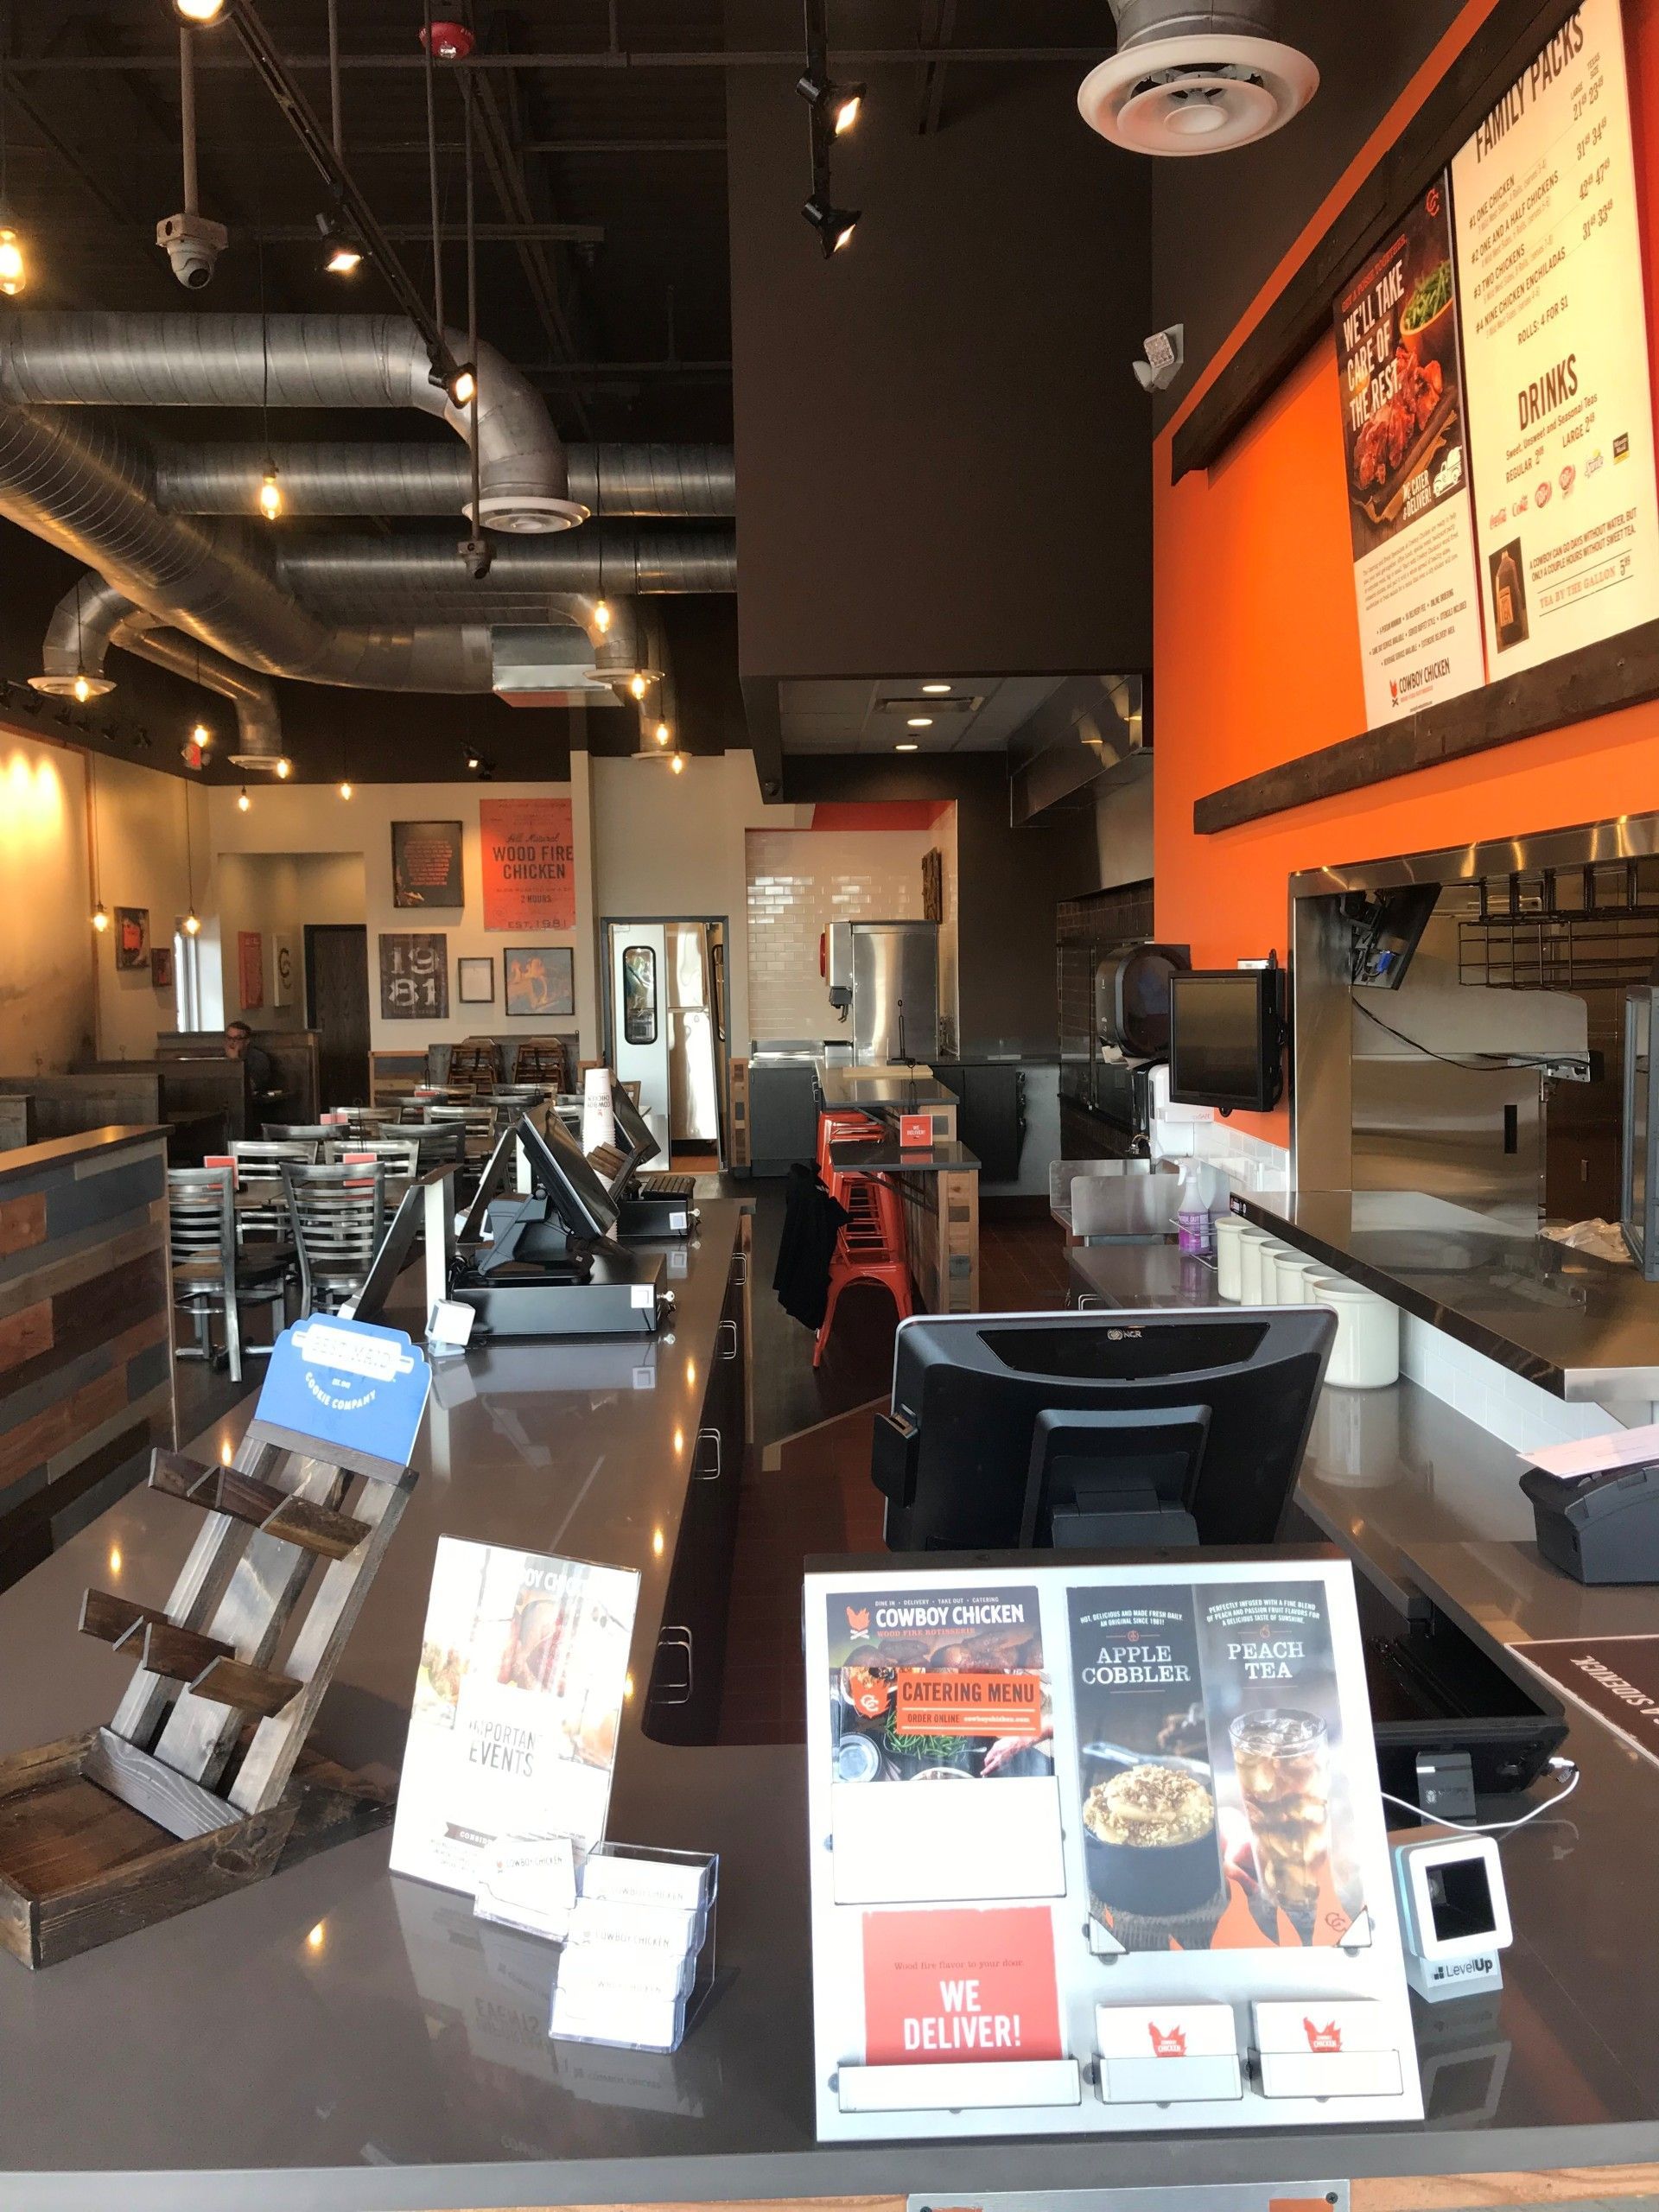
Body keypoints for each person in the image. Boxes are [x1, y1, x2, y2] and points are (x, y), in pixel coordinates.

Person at [224, 1020, 283, 1112]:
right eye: (229, 1038)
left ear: (247, 1041)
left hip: (255, 1107)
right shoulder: (221, 1058)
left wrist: (235, 1061)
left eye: (237, 1038)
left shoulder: (259, 1058)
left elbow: (247, 1087)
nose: (232, 1042)